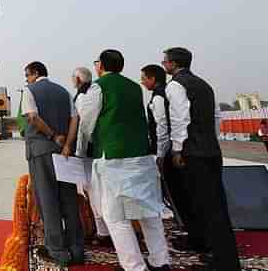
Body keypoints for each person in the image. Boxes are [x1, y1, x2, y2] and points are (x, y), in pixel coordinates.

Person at [78, 50, 170, 271]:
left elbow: (86, 124)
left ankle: (134, 266)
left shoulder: (98, 87)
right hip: (141, 156)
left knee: (115, 216)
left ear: (101, 65)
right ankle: (160, 261)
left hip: (113, 158)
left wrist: (80, 154)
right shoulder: (134, 87)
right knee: (149, 211)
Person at [162, 47, 241, 271]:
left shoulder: (176, 85)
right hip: (210, 150)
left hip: (192, 153)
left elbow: (180, 119)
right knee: (214, 205)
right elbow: (216, 117)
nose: (163, 64)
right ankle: (218, 253)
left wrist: (177, 149)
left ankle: (223, 261)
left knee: (206, 207)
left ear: (173, 64)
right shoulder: (204, 84)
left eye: (165, 61)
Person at [22, 61, 84, 266]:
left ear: (35, 73)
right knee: (68, 198)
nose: (27, 80)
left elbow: (32, 117)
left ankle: (56, 250)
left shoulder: (30, 91)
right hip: (63, 153)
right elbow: (75, 119)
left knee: (47, 199)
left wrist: (52, 135)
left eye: (27, 75)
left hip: (41, 151)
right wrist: (67, 144)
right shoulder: (64, 92)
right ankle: (76, 248)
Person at [140, 64, 192, 231]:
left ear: (152, 79)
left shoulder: (159, 97)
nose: (142, 82)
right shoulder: (164, 93)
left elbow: (162, 126)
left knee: (174, 191)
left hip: (168, 149)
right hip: (172, 147)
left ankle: (186, 225)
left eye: (144, 78)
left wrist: (161, 154)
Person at [64, 67, 111, 246]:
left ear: (78, 78)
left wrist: (79, 152)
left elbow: (84, 125)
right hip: (93, 152)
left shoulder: (86, 95)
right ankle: (100, 229)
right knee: (92, 190)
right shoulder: (87, 93)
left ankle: (104, 231)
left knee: (93, 190)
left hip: (89, 153)